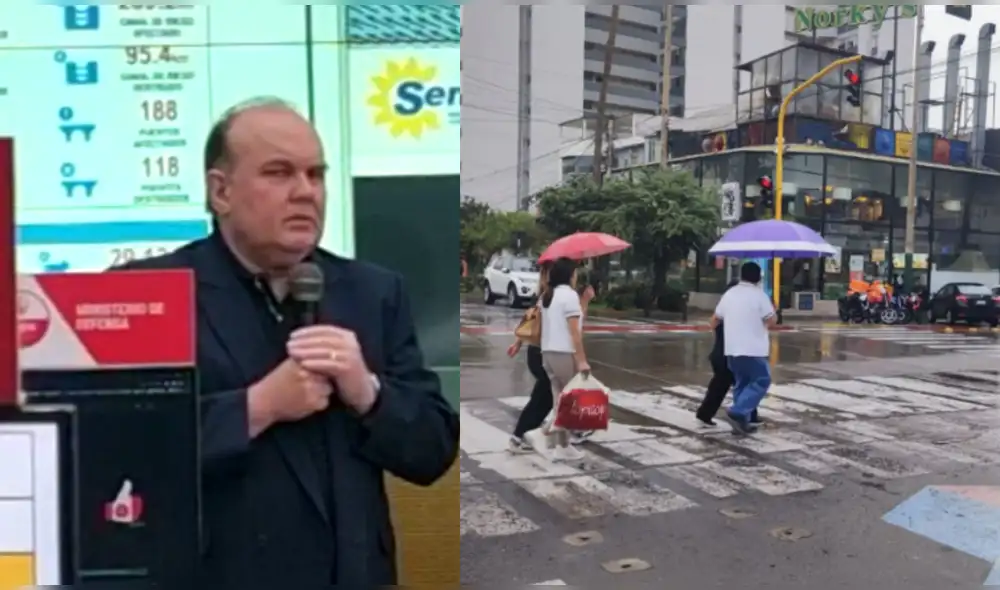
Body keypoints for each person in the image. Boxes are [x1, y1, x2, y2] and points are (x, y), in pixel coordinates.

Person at [114, 97, 459, 588]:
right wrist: (257, 407)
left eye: (315, 175)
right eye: (279, 173)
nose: (305, 193)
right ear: (221, 191)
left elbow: (432, 451)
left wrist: (368, 394)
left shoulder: (373, 292)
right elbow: (120, 455)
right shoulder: (147, 294)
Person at [525, 257, 590, 461]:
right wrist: (581, 360)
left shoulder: (547, 296)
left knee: (559, 400)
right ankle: (541, 433)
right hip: (564, 353)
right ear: (570, 275)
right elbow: (574, 333)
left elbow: (572, 323)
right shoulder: (569, 296)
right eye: (575, 273)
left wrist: (585, 302)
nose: (576, 276)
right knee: (570, 402)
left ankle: (564, 446)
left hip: (548, 353)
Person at [710, 262, 776, 435]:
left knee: (742, 383)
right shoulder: (759, 295)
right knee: (762, 380)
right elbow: (771, 320)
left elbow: (715, 319)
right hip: (753, 348)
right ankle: (738, 411)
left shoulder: (729, 294)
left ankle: (741, 423)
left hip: (732, 348)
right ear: (758, 277)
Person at [695, 279, 760, 428]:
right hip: (730, 356)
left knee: (725, 386)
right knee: (745, 384)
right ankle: (747, 416)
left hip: (720, 355)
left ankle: (705, 415)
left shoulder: (723, 311)